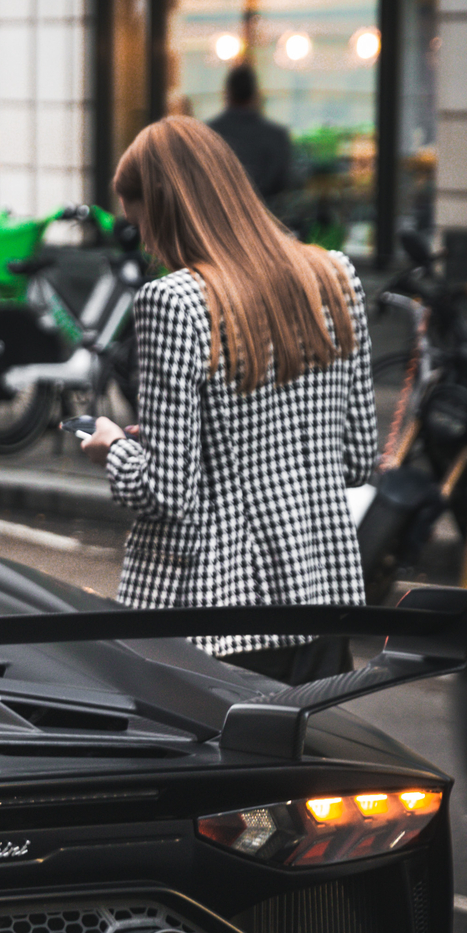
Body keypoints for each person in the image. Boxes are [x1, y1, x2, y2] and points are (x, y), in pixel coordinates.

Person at [78, 114, 376, 684]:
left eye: (142, 223)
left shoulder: (174, 302)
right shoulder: (337, 276)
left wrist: (114, 448)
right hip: (320, 604)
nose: (145, 242)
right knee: (308, 773)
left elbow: (166, 493)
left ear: (166, 209)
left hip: (218, 618)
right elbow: (358, 460)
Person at [206, 64, 292, 207]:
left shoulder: (207, 134)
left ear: (227, 93)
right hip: (265, 219)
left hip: (218, 221)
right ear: (255, 94)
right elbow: (282, 184)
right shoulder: (277, 136)